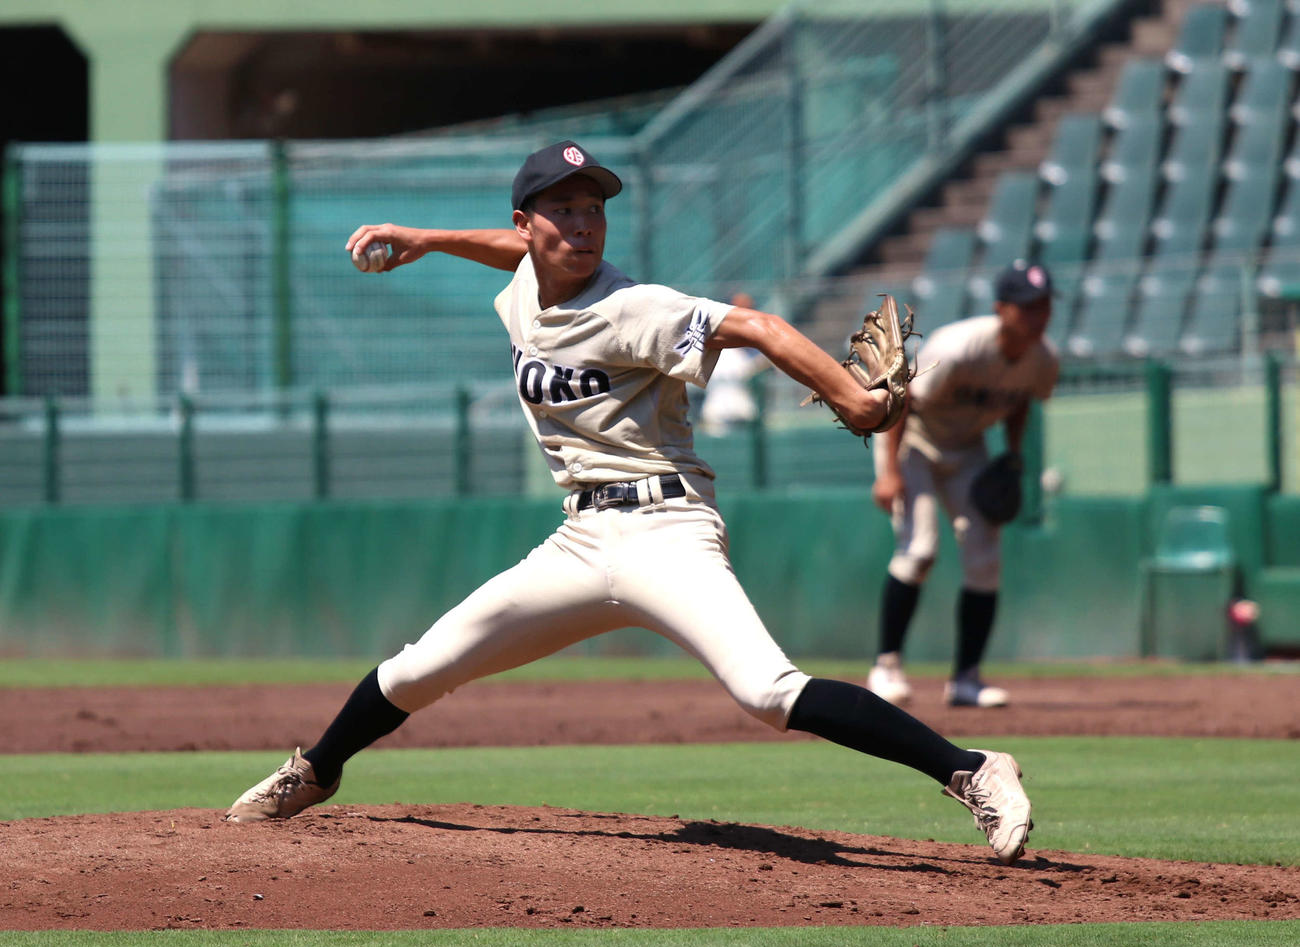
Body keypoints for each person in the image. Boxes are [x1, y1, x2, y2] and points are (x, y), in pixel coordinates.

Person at [223, 140, 1034, 866]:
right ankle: (316, 771)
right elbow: (515, 256)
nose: (583, 224)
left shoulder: (632, 306)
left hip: (667, 529)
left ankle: (971, 769)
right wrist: (429, 241)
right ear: (529, 221)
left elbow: (754, 324)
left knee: (767, 692)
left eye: (595, 210)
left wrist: (853, 401)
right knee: (420, 666)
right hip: (580, 541)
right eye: (565, 210)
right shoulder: (524, 288)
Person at [867, 261, 1060, 709]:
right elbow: (902, 402)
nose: (1039, 315)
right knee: (919, 551)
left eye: (1045, 305)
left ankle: (967, 680)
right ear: (1002, 309)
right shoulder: (957, 348)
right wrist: (889, 472)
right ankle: (886, 666)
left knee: (984, 558)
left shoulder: (1042, 358)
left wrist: (1011, 454)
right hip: (913, 440)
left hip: (968, 450)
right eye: (1029, 306)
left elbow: (1020, 403)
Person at [698, 292, 767, 435]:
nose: (746, 314)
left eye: (749, 309)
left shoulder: (757, 346)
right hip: (719, 416)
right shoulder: (718, 344)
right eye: (740, 309)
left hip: (745, 414)